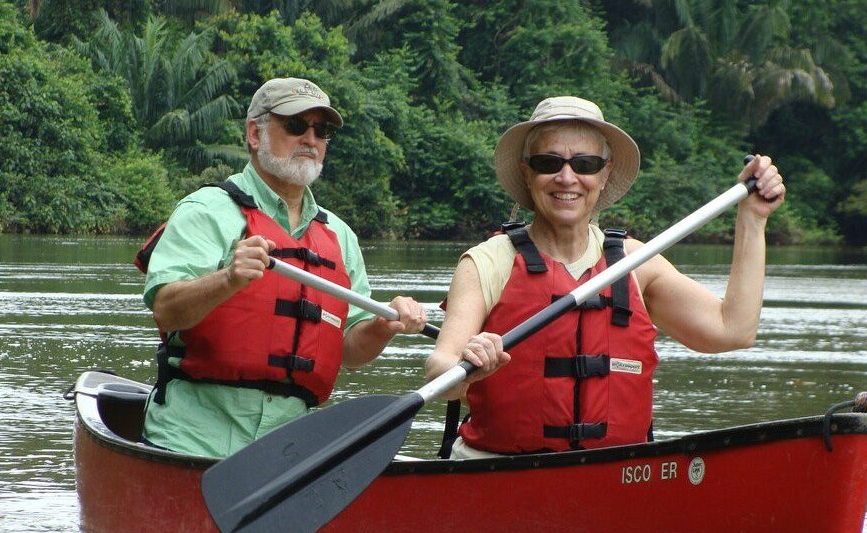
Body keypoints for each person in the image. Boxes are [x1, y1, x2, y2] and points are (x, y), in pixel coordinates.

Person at [425, 96, 785, 459]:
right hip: (498, 470)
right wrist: (466, 368)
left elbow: (733, 330)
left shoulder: (636, 262)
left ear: (605, 173)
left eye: (585, 164)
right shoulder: (487, 262)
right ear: (526, 172)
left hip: (616, 475)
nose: (567, 178)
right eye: (549, 163)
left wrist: (753, 219)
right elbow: (440, 370)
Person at [140, 77, 428, 457]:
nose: (310, 139)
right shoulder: (206, 210)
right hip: (193, 440)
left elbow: (349, 351)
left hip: (289, 451)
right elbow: (166, 309)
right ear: (254, 134)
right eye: (295, 125)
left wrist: (383, 327)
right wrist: (227, 279)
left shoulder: (340, 236)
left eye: (321, 131)